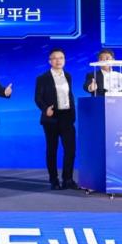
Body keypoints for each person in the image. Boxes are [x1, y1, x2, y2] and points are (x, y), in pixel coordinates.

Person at [34, 47, 77, 191]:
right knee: (52, 149)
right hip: (51, 116)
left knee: (70, 149)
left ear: (64, 60)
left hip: (67, 116)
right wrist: (45, 109)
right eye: (55, 58)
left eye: (61, 58)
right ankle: (54, 180)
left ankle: (68, 179)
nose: (58, 61)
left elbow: (69, 95)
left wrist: (72, 114)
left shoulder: (68, 76)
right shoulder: (42, 78)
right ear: (50, 61)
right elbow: (37, 98)